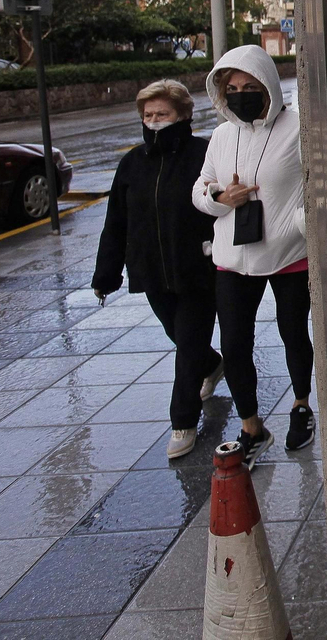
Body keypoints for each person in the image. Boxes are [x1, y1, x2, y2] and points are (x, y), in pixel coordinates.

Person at [192, 44, 315, 465]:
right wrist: (219, 197)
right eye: (231, 88)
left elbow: (319, 182)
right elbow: (201, 186)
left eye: (249, 86)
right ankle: (251, 426)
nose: (240, 95)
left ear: (267, 86)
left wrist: (300, 223)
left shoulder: (298, 129)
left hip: (288, 253)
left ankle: (301, 405)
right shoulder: (223, 136)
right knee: (234, 344)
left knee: (292, 332)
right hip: (233, 257)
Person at [92, 79, 225, 459]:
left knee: (188, 344)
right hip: (151, 271)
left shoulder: (204, 155)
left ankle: (183, 422)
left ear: (182, 115)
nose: (154, 121)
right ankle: (212, 365)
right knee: (180, 336)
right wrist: (105, 275)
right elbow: (116, 222)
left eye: (162, 114)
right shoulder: (132, 163)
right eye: (148, 115)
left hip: (198, 268)